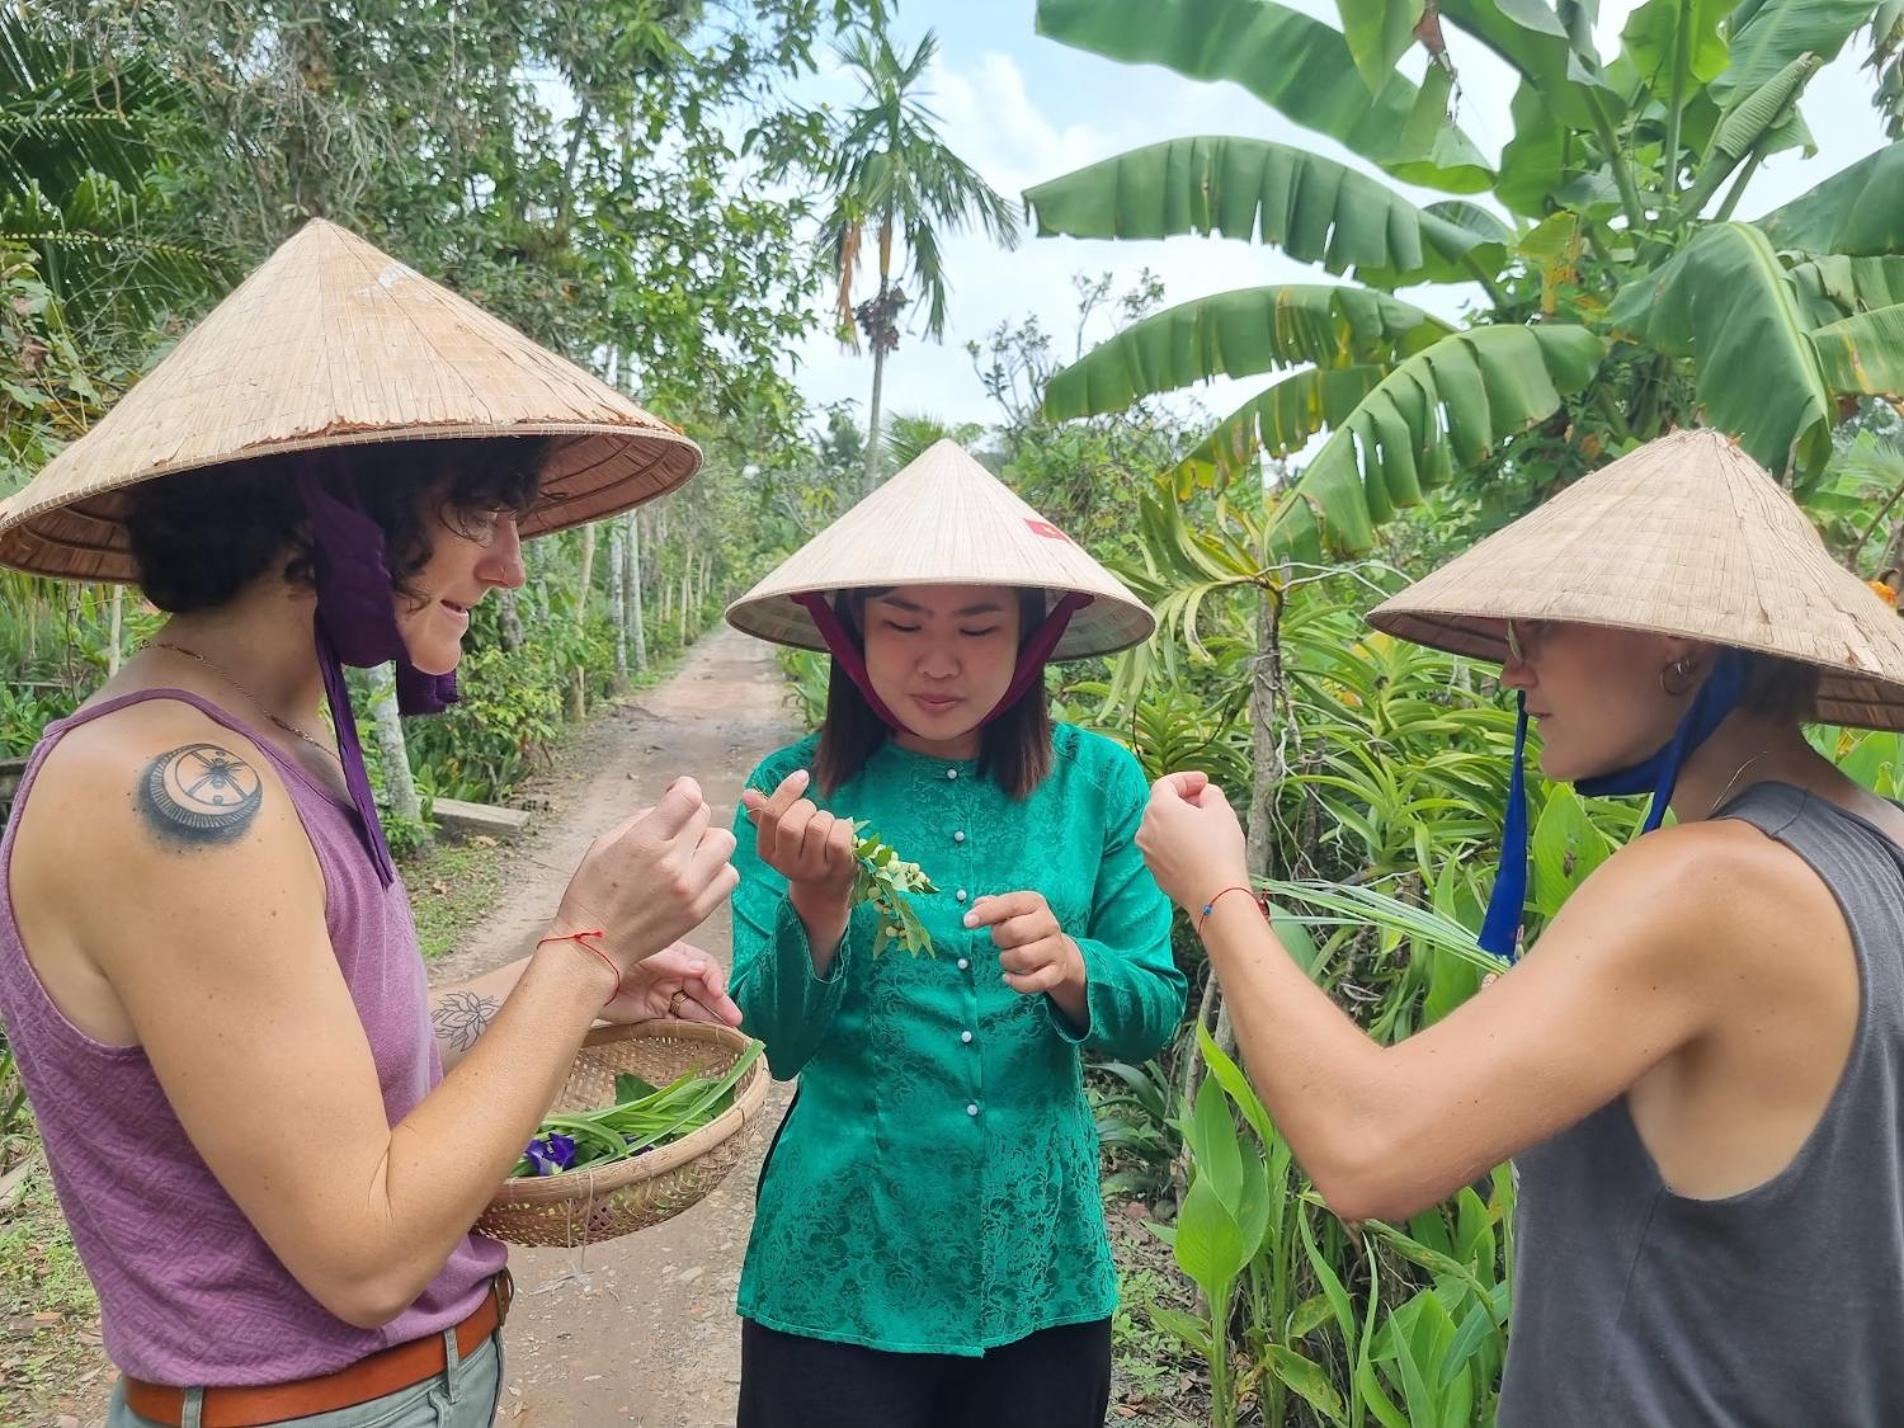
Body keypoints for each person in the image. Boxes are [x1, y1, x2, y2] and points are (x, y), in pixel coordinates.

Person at [0, 219, 739, 1428]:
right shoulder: (180, 795)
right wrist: (582, 945)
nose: (506, 567)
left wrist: (550, 999)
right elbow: (364, 1256)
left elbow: (339, 1071)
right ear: (324, 510)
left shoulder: (260, 745)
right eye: (478, 511)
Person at [1134, 428, 1904, 1425]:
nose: (1511, 672)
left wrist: (1215, 894)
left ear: (1679, 643)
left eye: (1541, 628)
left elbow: (1367, 1150)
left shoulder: (1707, 880)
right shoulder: (1876, 843)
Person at [719, 440, 1188, 1428]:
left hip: (1040, 1272)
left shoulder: (1100, 784)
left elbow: (1150, 1011)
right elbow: (775, 1042)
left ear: (1035, 635)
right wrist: (817, 905)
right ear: (847, 634)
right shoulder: (789, 796)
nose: (938, 663)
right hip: (836, 1270)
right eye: (900, 625)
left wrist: (1074, 968)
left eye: (979, 628)